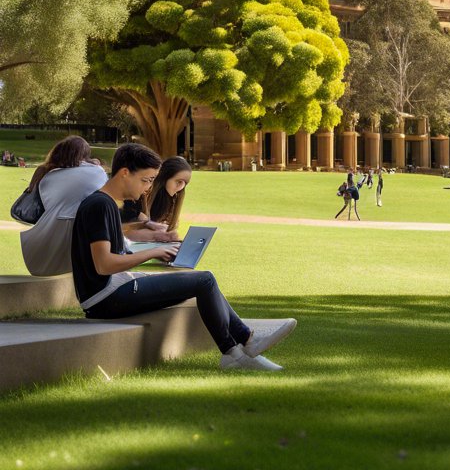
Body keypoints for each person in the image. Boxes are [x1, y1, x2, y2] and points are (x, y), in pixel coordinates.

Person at [71, 142, 295, 371]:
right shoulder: (99, 205)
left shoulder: (105, 203)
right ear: (125, 173)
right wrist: (154, 251)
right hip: (105, 298)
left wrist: (158, 252)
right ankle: (242, 343)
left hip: (116, 286)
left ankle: (238, 351)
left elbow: (115, 253)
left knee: (200, 280)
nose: (148, 188)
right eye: (146, 180)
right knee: (204, 280)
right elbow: (104, 264)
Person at [19, 136, 108, 276]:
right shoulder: (95, 172)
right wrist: (95, 164)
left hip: (47, 236)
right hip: (81, 237)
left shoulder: (46, 176)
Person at [125, 155, 193, 236]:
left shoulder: (171, 199)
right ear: (165, 177)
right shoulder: (140, 195)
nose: (181, 187)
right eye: (178, 181)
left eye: (185, 183)